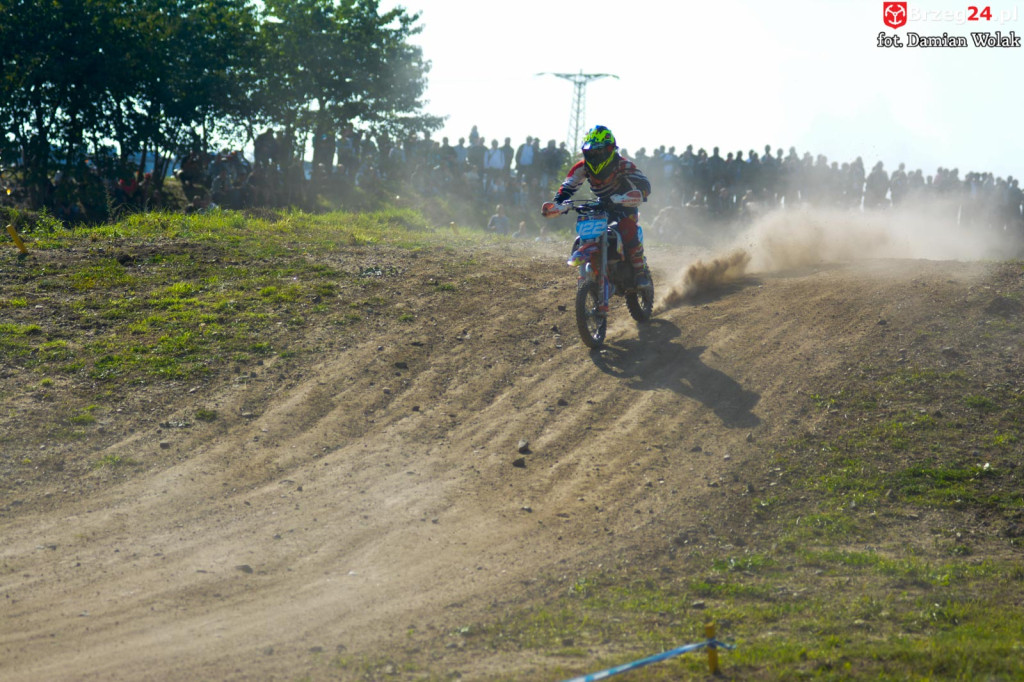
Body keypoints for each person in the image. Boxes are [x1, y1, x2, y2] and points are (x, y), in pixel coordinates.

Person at [541, 125, 653, 289]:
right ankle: (590, 273)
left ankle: (639, 272)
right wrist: (558, 202)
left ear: (609, 149)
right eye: (591, 152)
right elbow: (568, 186)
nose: (594, 155)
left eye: (598, 151)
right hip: (602, 206)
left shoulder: (622, 165)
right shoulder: (583, 167)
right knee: (586, 233)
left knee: (628, 229)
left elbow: (644, 184)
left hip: (625, 205)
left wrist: (638, 194)